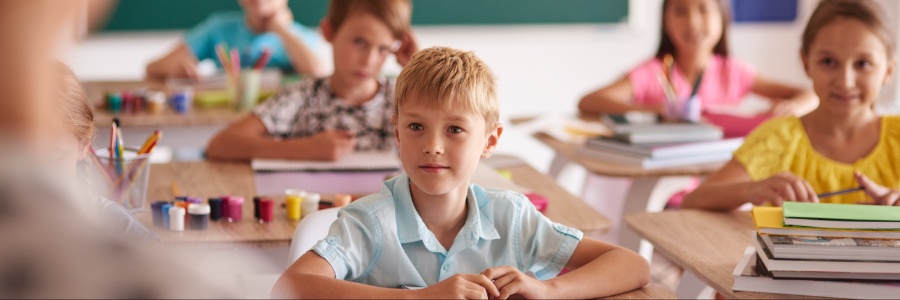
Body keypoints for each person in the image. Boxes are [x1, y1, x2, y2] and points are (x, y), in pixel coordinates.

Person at [272, 47, 650, 299]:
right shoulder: (369, 224)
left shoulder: (512, 218)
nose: (433, 145)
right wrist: (422, 297)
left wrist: (547, 289)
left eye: (455, 130)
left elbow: (634, 265)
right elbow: (290, 286)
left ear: (489, 140)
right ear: (397, 132)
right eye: (417, 127)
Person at [682, 0, 900, 210]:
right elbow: (693, 200)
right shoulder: (778, 139)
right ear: (806, 63)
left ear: (889, 70)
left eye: (863, 64)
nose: (845, 81)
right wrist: (751, 190)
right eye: (828, 62)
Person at [206, 0, 418, 161]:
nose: (369, 60)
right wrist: (305, 149)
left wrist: (418, 69)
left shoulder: (405, 98)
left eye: (383, 49)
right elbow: (220, 144)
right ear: (328, 32)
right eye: (359, 42)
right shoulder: (303, 95)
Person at [578, 0, 817, 131]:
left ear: (722, 17)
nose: (692, 22)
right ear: (665, 21)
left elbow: (809, 94)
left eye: (704, 9)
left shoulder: (734, 71)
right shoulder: (654, 72)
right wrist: (659, 109)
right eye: (680, 11)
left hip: (718, 175)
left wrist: (793, 106)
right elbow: (589, 101)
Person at [145, 0, 326, 81]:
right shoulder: (219, 29)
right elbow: (152, 67)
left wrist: (282, 30)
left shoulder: (300, 37)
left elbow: (317, 72)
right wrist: (176, 67)